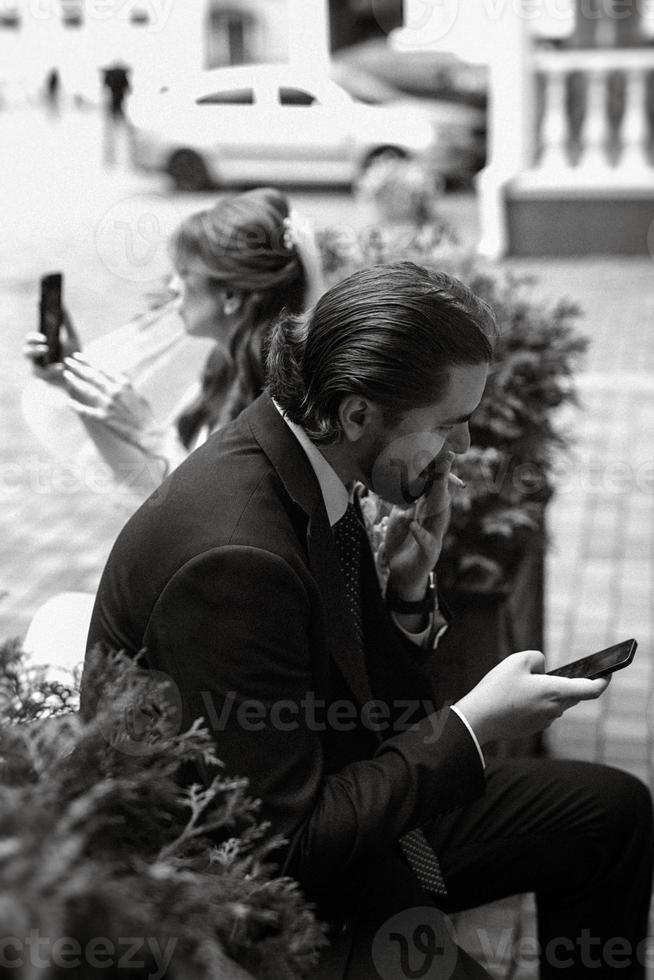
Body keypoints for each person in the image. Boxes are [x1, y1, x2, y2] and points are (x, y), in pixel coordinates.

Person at [81, 262, 653, 979]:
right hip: (252, 902)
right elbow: (288, 847)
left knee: (610, 812)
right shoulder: (234, 560)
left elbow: (376, 710)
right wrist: (475, 729)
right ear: (357, 413)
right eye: (451, 424)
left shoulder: (313, 460)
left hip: (343, 810)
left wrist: (408, 595)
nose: (466, 449)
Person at [23, 187, 324, 497]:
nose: (173, 286)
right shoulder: (222, 366)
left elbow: (217, 505)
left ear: (231, 296)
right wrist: (77, 381)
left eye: (184, 273)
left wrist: (149, 433)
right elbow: (155, 485)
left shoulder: (279, 401)